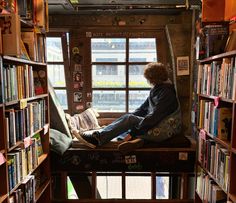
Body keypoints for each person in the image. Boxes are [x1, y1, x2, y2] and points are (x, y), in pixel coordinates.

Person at [81, 62, 181, 153]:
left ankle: (99, 138)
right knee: (129, 117)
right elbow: (142, 109)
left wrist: (136, 130)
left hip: (164, 127)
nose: (148, 81)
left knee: (130, 119)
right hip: (156, 122)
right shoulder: (157, 89)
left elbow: (155, 115)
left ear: (154, 78)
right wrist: (130, 117)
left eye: (149, 79)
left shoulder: (166, 92)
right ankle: (102, 134)